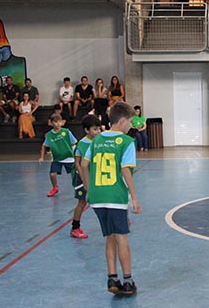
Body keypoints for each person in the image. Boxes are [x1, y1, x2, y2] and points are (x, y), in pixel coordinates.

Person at [80, 102, 141, 295]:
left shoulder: (96, 140)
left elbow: (83, 164)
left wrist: (90, 189)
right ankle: (128, 280)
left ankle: (112, 279)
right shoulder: (126, 142)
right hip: (115, 195)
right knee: (121, 237)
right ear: (122, 121)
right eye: (130, 122)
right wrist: (135, 198)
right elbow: (125, 170)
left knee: (110, 237)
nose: (131, 126)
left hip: (97, 195)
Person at [70, 115, 102, 239]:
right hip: (82, 177)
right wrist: (83, 178)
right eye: (95, 129)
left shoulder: (99, 141)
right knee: (82, 202)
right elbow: (77, 163)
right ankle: (75, 228)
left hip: (95, 175)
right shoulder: (81, 144)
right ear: (86, 130)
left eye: (99, 129)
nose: (98, 131)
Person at [39, 114, 78, 197]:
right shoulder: (49, 135)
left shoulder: (66, 132)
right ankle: (55, 187)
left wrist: (76, 155)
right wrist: (42, 157)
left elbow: (74, 143)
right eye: (55, 122)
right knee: (52, 174)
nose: (57, 123)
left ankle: (79, 187)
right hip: (57, 159)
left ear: (62, 122)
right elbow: (44, 146)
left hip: (69, 158)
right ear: (51, 123)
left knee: (75, 173)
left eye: (59, 121)